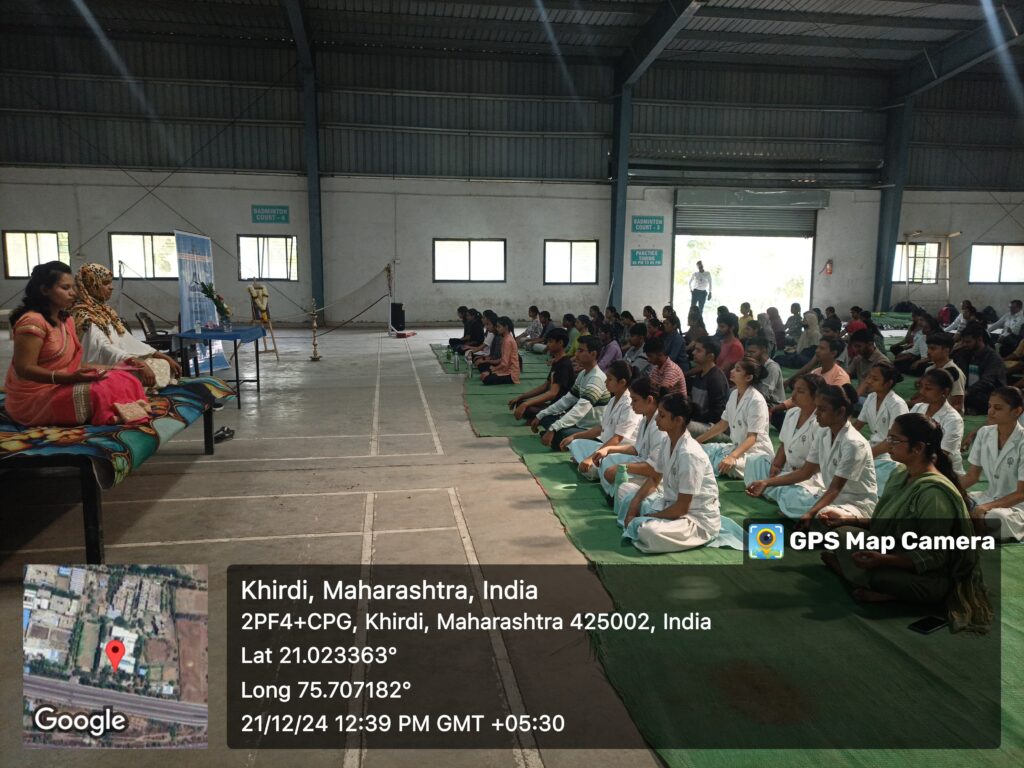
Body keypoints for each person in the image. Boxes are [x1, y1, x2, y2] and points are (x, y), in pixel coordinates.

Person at [818, 413, 992, 632]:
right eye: (889, 438)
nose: (888, 444)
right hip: (894, 549)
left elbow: (935, 555)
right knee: (840, 531)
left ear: (918, 448)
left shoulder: (933, 494)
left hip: (928, 576)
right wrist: (850, 519)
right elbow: (886, 522)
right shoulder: (901, 474)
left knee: (879, 576)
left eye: (895, 440)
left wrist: (884, 560)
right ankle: (856, 573)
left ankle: (860, 578)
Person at [4, 261, 148, 426]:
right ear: (44, 290)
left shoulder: (67, 319)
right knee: (99, 391)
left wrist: (115, 367)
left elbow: (74, 363)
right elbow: (24, 369)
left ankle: (119, 410)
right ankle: (112, 412)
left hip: (64, 381)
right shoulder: (32, 322)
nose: (73, 293)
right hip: (35, 396)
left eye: (73, 288)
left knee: (123, 377)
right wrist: (68, 378)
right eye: (65, 288)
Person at [746, 384, 877, 523]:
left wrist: (810, 513)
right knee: (789, 494)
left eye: (822, 409)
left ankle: (857, 521)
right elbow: (805, 473)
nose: (816, 414)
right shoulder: (823, 432)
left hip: (855, 505)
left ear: (840, 412)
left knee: (825, 514)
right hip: (828, 497)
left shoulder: (854, 443)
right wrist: (766, 482)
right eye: (816, 408)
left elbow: (835, 489)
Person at [618, 394, 721, 554]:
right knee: (626, 493)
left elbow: (682, 508)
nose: (657, 419)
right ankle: (640, 520)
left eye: (662, 415)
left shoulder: (690, 454)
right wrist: (634, 504)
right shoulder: (667, 441)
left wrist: (650, 516)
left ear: (678, 420)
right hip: (669, 503)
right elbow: (654, 478)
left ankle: (642, 524)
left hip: (694, 518)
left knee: (649, 532)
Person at [70, 263, 182, 387]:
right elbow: (103, 348)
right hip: (102, 365)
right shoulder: (84, 315)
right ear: (92, 285)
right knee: (141, 372)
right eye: (105, 283)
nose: (111, 287)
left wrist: (158, 354)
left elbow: (127, 339)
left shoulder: (104, 310)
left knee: (162, 363)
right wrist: (134, 361)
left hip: (120, 359)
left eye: (110, 283)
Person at [745, 373, 826, 504]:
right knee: (754, 461)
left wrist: (768, 482)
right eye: (793, 389)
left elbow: (809, 471)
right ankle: (774, 491)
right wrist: (777, 464)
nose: (793, 395)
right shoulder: (791, 413)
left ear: (815, 396)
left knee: (795, 495)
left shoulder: (820, 422)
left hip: (808, 478)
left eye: (800, 391)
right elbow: (783, 443)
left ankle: (772, 490)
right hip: (786, 470)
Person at [960, 386, 1024, 541]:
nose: (990, 412)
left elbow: (1021, 493)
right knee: (952, 504)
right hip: (989, 497)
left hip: (1017, 506)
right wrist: (949, 491)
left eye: (998, 408)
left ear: (1017, 411)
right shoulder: (984, 433)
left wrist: (987, 507)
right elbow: (972, 477)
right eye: (989, 406)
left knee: (995, 517)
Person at [694, 358, 774, 478]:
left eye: (737, 370)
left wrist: (732, 457)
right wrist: (697, 441)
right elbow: (722, 424)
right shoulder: (734, 394)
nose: (732, 371)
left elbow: (752, 437)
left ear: (748, 378)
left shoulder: (756, 400)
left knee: (727, 466)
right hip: (736, 448)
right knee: (698, 450)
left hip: (756, 453)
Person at [566, 361, 642, 480]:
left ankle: (592, 466)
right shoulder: (612, 400)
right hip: (605, 447)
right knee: (576, 443)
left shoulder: (629, 404)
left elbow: (618, 439)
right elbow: (601, 427)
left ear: (622, 382)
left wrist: (590, 457)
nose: (606, 382)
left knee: (600, 465)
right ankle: (589, 464)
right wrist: (575, 436)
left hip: (621, 450)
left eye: (609, 379)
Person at [533, 335, 610, 450]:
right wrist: (541, 415)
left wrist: (554, 428)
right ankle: (558, 437)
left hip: (590, 429)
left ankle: (562, 439)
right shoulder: (583, 374)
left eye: (581, 350)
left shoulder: (596, 378)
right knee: (546, 418)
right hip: (579, 424)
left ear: (593, 354)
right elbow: (567, 399)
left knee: (559, 432)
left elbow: (580, 409)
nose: (577, 354)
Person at [598, 376, 669, 498]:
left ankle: (617, 493)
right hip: (642, 465)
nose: (631, 404)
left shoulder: (660, 426)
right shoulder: (646, 418)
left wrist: (622, 467)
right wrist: (608, 449)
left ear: (649, 400)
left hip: (655, 478)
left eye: (635, 400)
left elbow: (655, 469)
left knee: (622, 487)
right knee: (607, 460)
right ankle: (614, 492)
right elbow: (637, 449)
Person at [852, 363, 910, 492]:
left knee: (877, 480)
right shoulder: (871, 398)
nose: (869, 381)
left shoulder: (897, 404)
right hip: (872, 448)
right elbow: (857, 425)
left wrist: (867, 456)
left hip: (890, 454)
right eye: (869, 377)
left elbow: (892, 441)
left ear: (888, 383)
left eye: (875, 379)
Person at [509, 328, 573, 421]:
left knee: (527, 409)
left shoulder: (564, 365)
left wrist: (526, 404)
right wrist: (521, 397)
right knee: (520, 403)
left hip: (560, 408)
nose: (548, 345)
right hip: (553, 404)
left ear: (560, 343)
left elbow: (552, 394)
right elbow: (545, 386)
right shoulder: (556, 361)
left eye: (551, 342)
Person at [909, 368, 964, 473]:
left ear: (945, 391)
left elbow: (942, 455)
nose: (922, 392)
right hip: (915, 461)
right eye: (921, 387)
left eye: (928, 388)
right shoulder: (918, 408)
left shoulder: (953, 420)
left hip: (943, 471)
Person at [953, 322, 1007, 415]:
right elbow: (957, 373)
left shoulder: (993, 358)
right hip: (970, 392)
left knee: (977, 398)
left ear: (979, 339)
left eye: (968, 342)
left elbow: (987, 382)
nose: (964, 344)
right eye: (963, 342)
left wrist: (966, 392)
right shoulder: (966, 353)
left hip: (989, 394)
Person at [684, 337, 730, 437]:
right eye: (695, 349)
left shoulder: (716, 379)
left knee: (682, 426)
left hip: (715, 428)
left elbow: (717, 414)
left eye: (698, 350)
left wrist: (693, 416)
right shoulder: (700, 374)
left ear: (710, 356)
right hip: (700, 421)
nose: (693, 353)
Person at [913, 332, 965, 413]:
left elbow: (958, 405)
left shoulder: (956, 373)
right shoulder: (929, 370)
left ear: (946, 350)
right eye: (928, 348)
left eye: (933, 348)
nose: (929, 352)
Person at [847, 329, 891, 398]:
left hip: (875, 399)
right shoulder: (858, 358)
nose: (855, 349)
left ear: (870, 344)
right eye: (854, 346)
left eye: (858, 346)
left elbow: (866, 383)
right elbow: (846, 374)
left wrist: (853, 399)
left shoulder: (882, 362)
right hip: (861, 397)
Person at [480, 317, 521, 385]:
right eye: (497, 327)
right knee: (485, 374)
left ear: (506, 327)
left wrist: (491, 370)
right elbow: (502, 360)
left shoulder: (507, 340)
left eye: (499, 327)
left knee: (486, 379)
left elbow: (504, 363)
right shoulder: (505, 338)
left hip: (511, 374)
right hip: (505, 369)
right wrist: (492, 369)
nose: (497, 329)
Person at [746, 336, 785, 409]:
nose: (748, 355)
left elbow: (764, 394)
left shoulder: (772, 368)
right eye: (748, 352)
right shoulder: (755, 365)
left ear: (763, 350)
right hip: (758, 403)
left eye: (752, 352)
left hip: (774, 408)